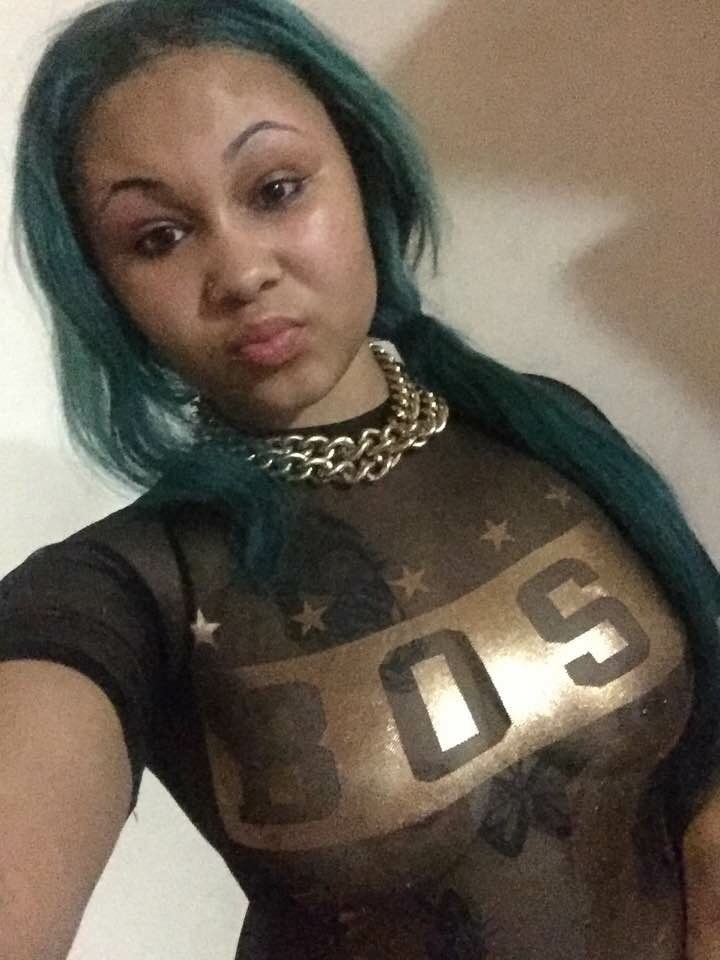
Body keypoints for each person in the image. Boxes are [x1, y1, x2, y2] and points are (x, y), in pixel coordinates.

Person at [2, 0, 720, 957]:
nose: (240, 271)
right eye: (158, 238)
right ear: (105, 290)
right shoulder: (124, 591)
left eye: (276, 189)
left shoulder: (543, 427)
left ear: (362, 171)